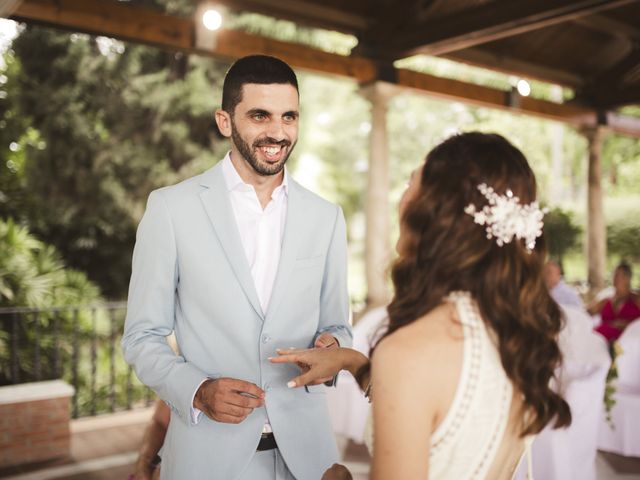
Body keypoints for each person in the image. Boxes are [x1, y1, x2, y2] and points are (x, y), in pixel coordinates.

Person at [271, 132, 572, 479]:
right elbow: (442, 412)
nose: (401, 198)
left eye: (411, 183)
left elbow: (419, 380)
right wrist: (352, 362)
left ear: (436, 212)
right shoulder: (513, 332)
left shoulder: (410, 351)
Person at [122, 55, 352, 480]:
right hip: (207, 458)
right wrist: (197, 390)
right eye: (260, 116)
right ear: (225, 121)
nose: (278, 133)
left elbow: (339, 324)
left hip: (309, 458)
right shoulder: (171, 209)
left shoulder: (327, 217)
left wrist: (331, 348)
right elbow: (141, 336)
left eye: (289, 117)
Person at [588, 261, 640, 342]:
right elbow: (586, 312)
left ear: (628, 278)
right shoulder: (606, 300)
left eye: (620, 275)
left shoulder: (636, 299)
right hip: (601, 343)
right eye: (614, 275)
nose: (615, 278)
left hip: (629, 343)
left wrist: (628, 324)